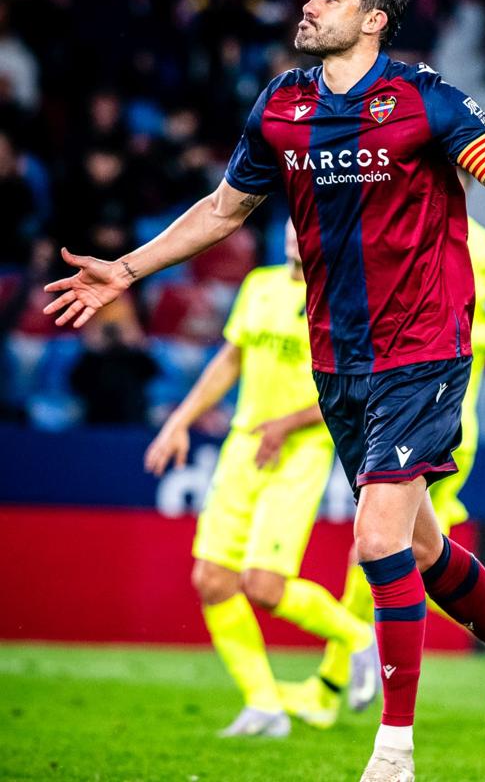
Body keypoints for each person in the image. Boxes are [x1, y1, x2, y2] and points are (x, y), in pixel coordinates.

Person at [44, 0, 485, 782]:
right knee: (417, 547)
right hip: (337, 361)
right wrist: (129, 268)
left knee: (376, 537)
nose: (309, 5)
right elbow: (224, 209)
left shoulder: (425, 100)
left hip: (426, 351)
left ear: (373, 18)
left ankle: (394, 753)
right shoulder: (283, 105)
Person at [284, 210, 485, 730]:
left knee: (381, 548)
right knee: (402, 552)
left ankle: (335, 687)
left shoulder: (480, 245)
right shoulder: (397, 224)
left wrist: (447, 331)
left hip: (440, 416)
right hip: (390, 411)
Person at [143, 221, 376, 738]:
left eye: (310, 228)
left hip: (302, 450)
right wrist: (180, 421)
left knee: (264, 586)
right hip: (244, 443)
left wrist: (288, 424)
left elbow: (357, 387)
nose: (297, 238)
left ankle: (357, 636)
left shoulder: (346, 300)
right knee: (212, 579)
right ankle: (264, 704)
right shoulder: (260, 286)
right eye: (292, 230)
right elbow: (230, 360)